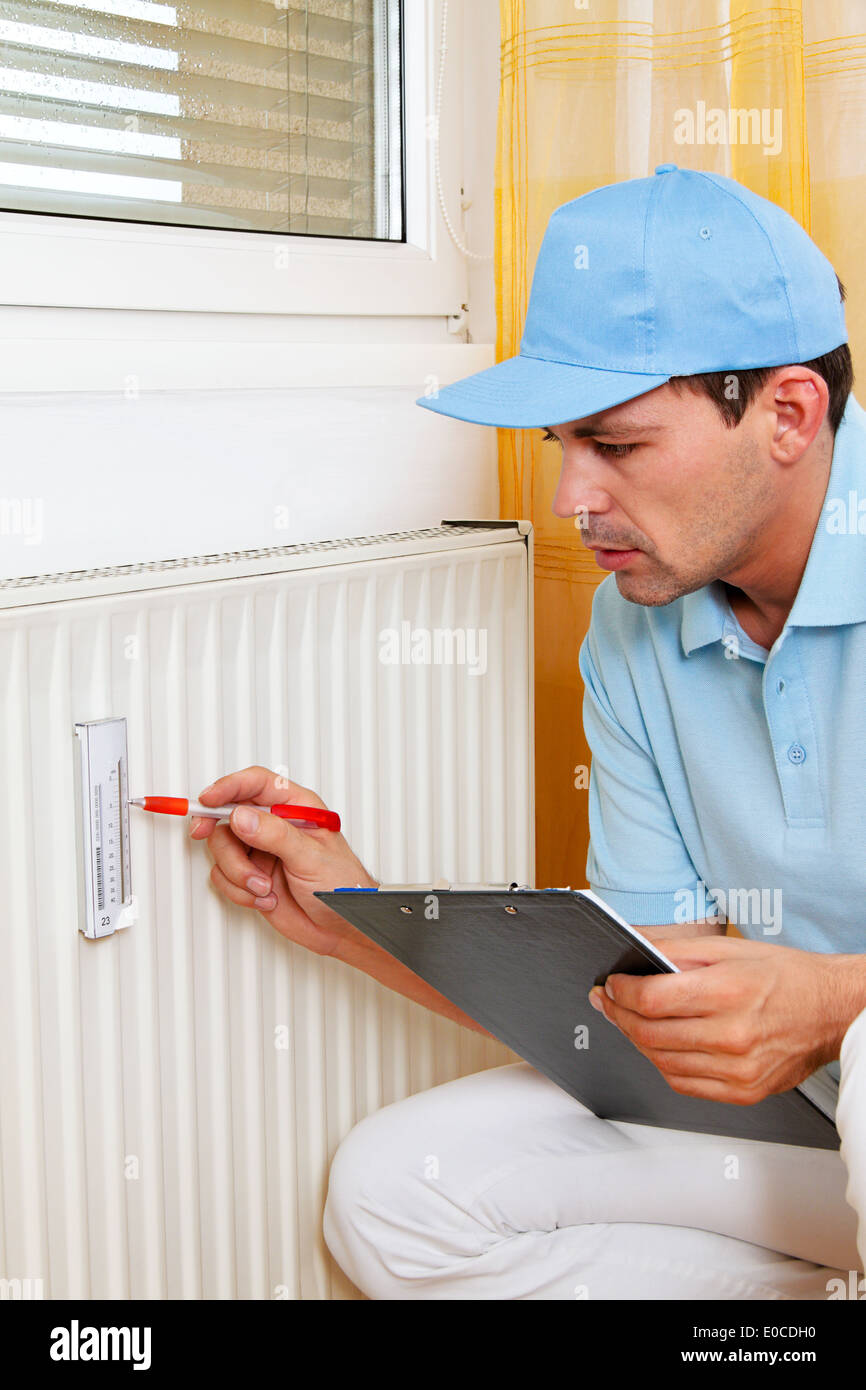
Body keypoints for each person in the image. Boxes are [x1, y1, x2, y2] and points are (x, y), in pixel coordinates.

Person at [192, 166, 866, 1299]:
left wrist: (832, 1004)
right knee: (395, 1191)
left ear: (787, 414)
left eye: (618, 445)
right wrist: (356, 917)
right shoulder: (631, 630)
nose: (570, 497)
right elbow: (638, 993)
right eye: (563, 443)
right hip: (806, 1143)